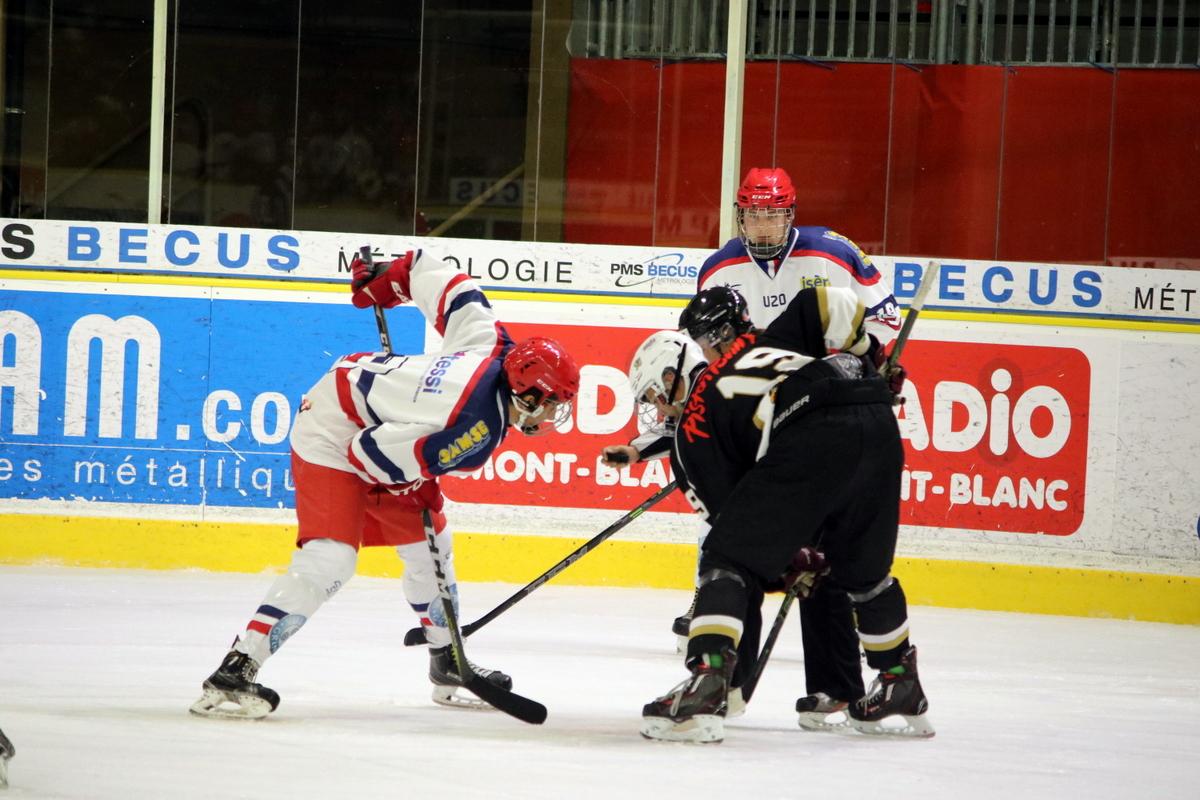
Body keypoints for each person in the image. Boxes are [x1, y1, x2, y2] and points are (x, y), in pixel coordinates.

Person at [190, 248, 580, 719]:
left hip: (369, 402)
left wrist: (389, 276)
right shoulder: (472, 431)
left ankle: (446, 659)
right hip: (332, 431)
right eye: (554, 403)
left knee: (431, 539)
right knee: (331, 557)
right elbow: (366, 454)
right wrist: (404, 480)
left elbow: (449, 284)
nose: (557, 413)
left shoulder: (495, 351)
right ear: (530, 396)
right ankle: (237, 666)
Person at [638, 285, 932, 743]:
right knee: (862, 571)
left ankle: (707, 683)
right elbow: (830, 300)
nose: (659, 407)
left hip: (815, 432)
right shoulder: (778, 337)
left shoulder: (698, 412)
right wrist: (870, 358)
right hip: (877, 423)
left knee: (725, 558)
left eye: (657, 394)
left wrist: (780, 558)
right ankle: (899, 682)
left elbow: (731, 519)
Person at [668, 166, 904, 729]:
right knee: (754, 540)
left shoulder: (833, 251)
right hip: (763, 418)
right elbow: (707, 352)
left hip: (821, 416)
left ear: (791, 212)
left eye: (773, 212)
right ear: (739, 214)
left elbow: (881, 318)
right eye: (753, 213)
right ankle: (730, 677)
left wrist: (877, 363)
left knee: (803, 549)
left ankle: (827, 687)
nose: (764, 223)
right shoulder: (719, 265)